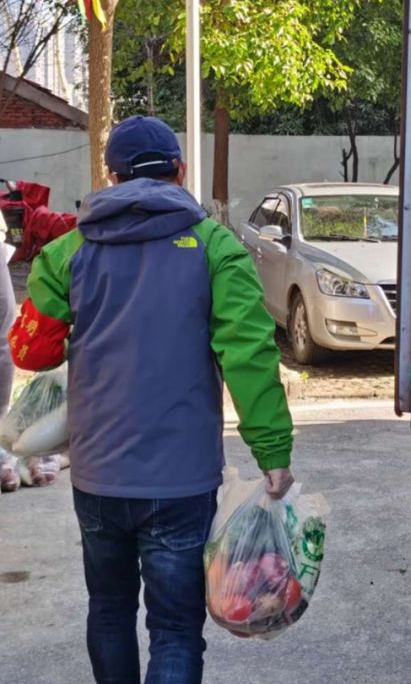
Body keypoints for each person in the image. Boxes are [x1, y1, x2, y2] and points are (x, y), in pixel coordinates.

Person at [8, 115, 294, 684]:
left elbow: (32, 354)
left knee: (109, 610)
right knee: (175, 628)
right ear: (179, 172)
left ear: (110, 176)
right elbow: (250, 355)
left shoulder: (67, 253)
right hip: (182, 482)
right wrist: (273, 451)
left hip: (98, 477)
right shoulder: (215, 248)